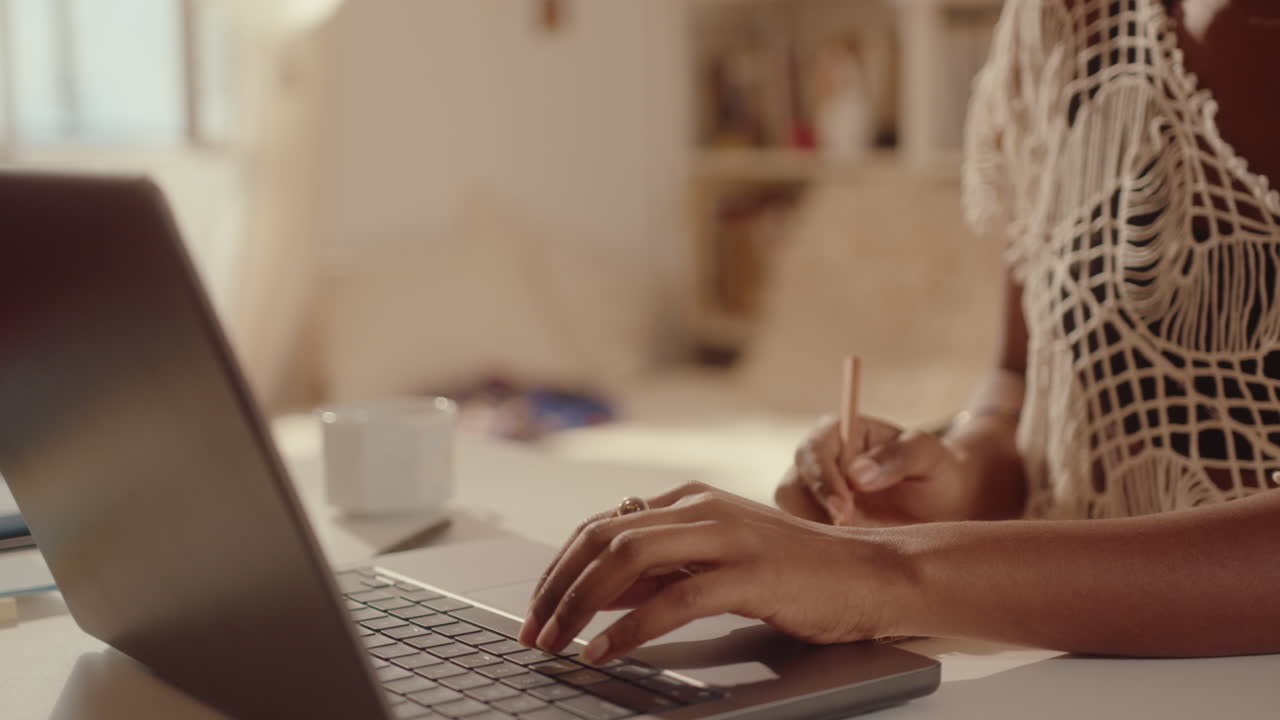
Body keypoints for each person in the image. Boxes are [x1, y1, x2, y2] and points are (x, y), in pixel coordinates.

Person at [518, 0, 1280, 666]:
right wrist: (958, 478)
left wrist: (882, 572)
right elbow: (1020, 383)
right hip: (1060, 671)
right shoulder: (1064, 20)